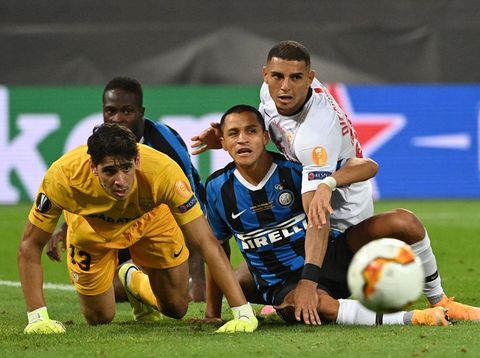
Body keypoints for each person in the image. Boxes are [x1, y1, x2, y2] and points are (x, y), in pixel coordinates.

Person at [191, 41, 480, 323]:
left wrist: (307, 281)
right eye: (277, 76)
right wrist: (233, 139)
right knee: (240, 282)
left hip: (343, 220)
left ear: (310, 79)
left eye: (295, 78)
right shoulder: (268, 98)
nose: (285, 87)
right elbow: (216, 246)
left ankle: (439, 302)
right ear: (265, 74)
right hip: (314, 219)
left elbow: (322, 213)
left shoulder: (313, 137)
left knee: (397, 225)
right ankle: (287, 301)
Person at [204, 104, 449, 326]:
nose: (243, 140)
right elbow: (216, 248)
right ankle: (415, 318)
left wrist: (327, 183)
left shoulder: (293, 171)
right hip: (281, 283)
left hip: (330, 257)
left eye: (251, 131)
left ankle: (440, 300)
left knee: (403, 221)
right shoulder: (217, 189)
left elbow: (369, 166)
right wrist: (212, 313)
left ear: (265, 137)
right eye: (234, 134)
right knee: (309, 306)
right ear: (223, 142)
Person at [18, 123, 257, 334]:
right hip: (90, 230)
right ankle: (130, 278)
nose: (120, 180)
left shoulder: (163, 172)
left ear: (137, 161)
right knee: (99, 318)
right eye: (109, 171)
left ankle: (133, 280)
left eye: (126, 168)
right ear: (93, 166)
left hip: (152, 221)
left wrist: (242, 311)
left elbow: (206, 242)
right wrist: (37, 318)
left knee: (176, 308)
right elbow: (30, 244)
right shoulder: (63, 177)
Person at [46, 77, 206, 302]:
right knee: (104, 296)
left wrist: (198, 289)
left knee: (177, 296)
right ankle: (133, 276)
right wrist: (65, 228)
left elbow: (192, 205)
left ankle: (191, 289)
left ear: (141, 112)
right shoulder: (104, 144)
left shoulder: (164, 145)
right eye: (110, 112)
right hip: (121, 221)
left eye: (126, 112)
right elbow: (90, 192)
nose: (117, 119)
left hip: (161, 221)